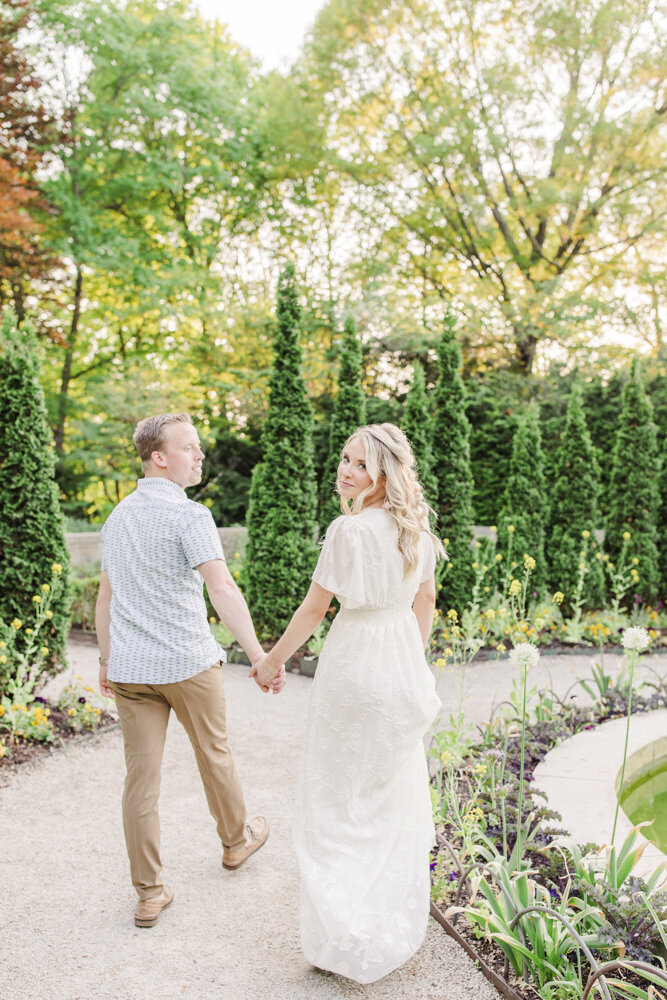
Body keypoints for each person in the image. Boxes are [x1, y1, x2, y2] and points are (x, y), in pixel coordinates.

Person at [253, 422, 445, 983]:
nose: (346, 470)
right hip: (398, 660)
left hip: (356, 661)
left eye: (360, 464)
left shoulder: (349, 529)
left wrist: (271, 660)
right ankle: (378, 925)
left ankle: (342, 933)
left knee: (338, 800)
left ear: (383, 473)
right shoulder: (416, 528)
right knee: (388, 799)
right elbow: (426, 601)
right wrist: (412, 654)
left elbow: (315, 610)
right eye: (345, 459)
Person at [95, 412, 284, 929]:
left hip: (132, 671)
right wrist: (261, 656)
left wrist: (107, 661)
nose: (200, 455)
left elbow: (105, 599)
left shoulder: (117, 517)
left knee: (141, 781)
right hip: (186, 662)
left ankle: (149, 894)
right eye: (190, 447)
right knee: (214, 754)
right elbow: (222, 589)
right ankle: (235, 842)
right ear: (159, 456)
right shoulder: (190, 517)